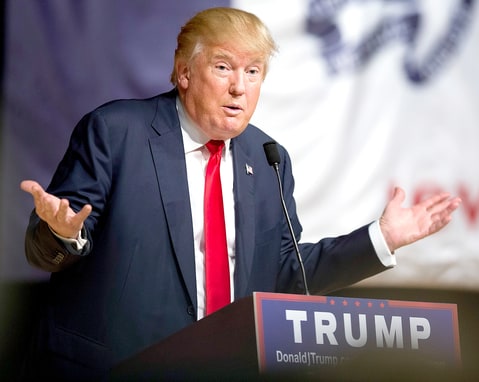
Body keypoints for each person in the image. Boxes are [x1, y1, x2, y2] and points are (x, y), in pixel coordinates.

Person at [19, 7, 461, 381]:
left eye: (253, 72)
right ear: (184, 72)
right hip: (113, 367)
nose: (239, 87)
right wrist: (63, 234)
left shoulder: (269, 158)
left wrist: (380, 238)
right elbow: (49, 250)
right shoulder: (116, 132)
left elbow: (287, 274)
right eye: (224, 67)